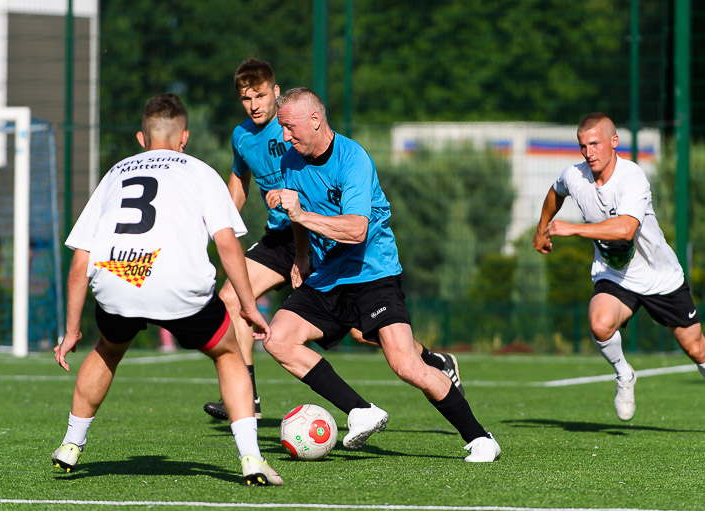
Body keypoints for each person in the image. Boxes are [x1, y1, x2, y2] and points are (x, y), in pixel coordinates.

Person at [203, 58, 465, 422]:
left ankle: (432, 361)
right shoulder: (241, 137)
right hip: (283, 236)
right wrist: (224, 223)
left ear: (276, 93)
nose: (254, 105)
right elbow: (239, 177)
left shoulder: (294, 125)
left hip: (320, 232)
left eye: (260, 96)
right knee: (231, 298)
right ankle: (246, 395)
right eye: (246, 99)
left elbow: (332, 175)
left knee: (363, 333)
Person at [50, 93, 282, 486]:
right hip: (178, 284)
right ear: (184, 137)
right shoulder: (201, 171)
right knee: (228, 353)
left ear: (142, 139)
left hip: (119, 278)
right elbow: (227, 244)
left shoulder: (115, 173)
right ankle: (251, 458)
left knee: (107, 349)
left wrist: (72, 330)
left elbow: (80, 262)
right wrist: (249, 305)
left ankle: (71, 445)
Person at [263, 87, 500, 461]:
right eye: (282, 127)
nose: (285, 136)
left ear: (315, 119)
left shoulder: (353, 159)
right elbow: (298, 214)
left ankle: (480, 438)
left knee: (406, 365)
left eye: (290, 127)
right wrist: (303, 256)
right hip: (328, 277)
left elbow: (356, 229)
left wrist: (301, 215)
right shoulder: (291, 161)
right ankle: (361, 411)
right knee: (278, 338)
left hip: (372, 273)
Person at [532, 112, 705, 421]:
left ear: (614, 142)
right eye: (583, 145)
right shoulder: (574, 176)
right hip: (615, 276)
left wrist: (574, 229)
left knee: (696, 350)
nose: (588, 152)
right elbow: (555, 192)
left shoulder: (632, 176)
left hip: (659, 276)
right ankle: (624, 374)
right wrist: (541, 228)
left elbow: (625, 229)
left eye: (595, 144)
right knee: (600, 324)